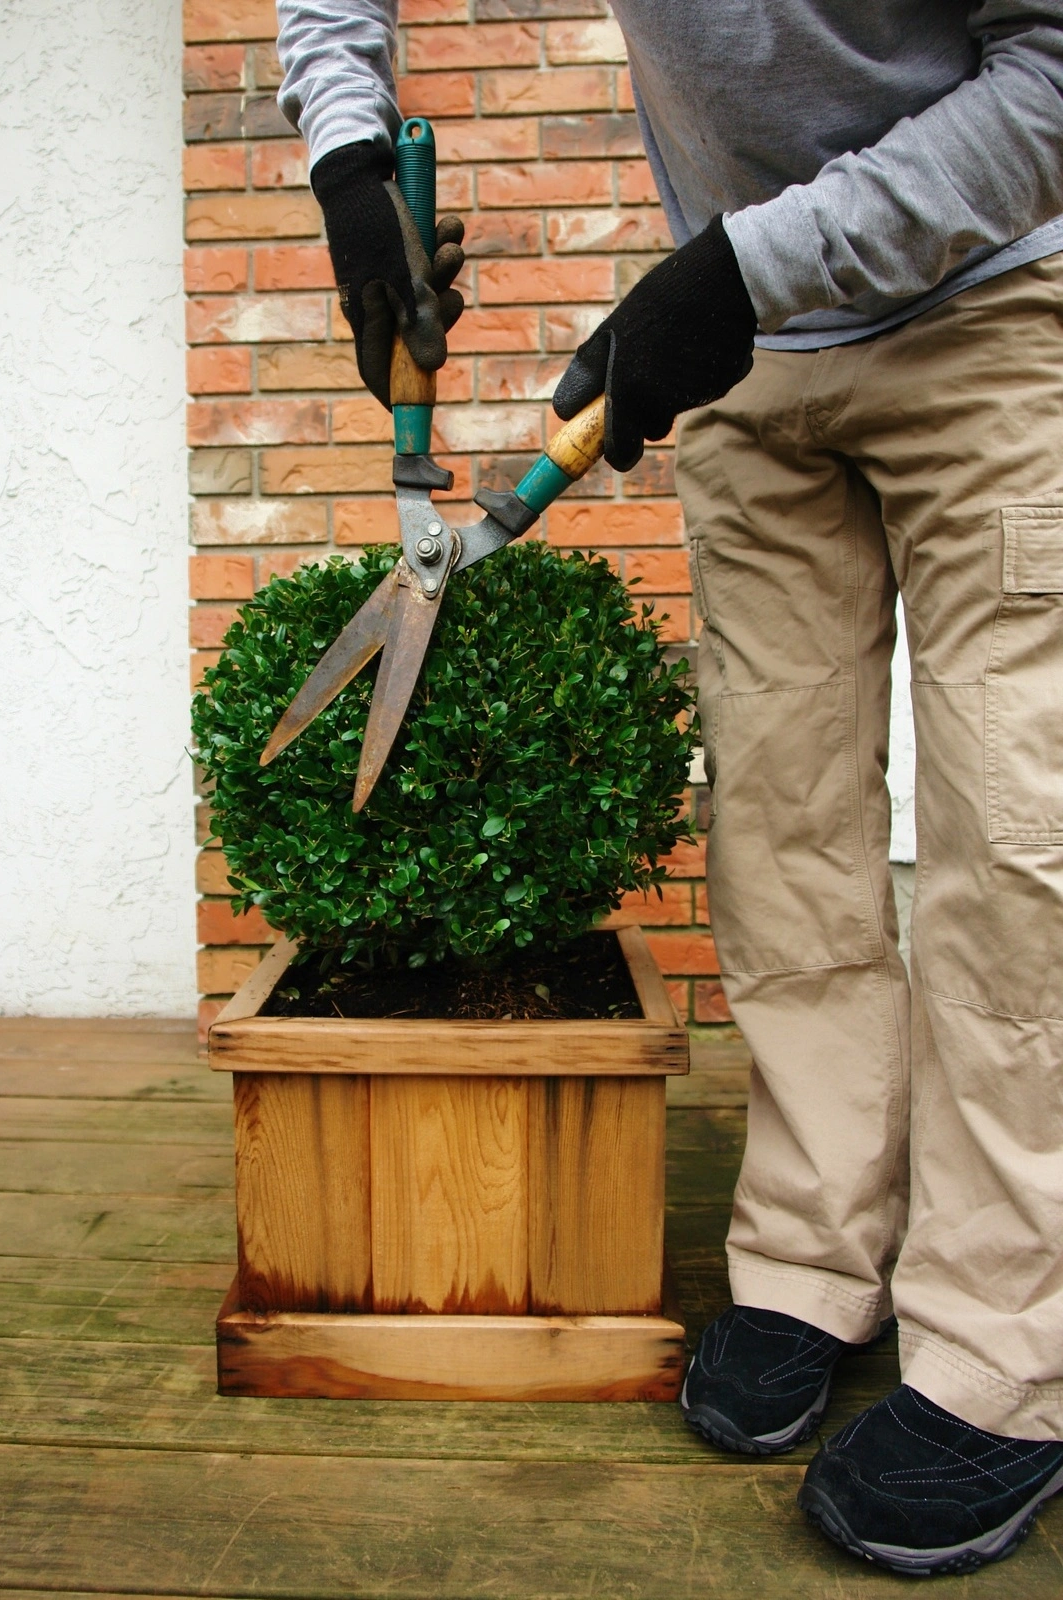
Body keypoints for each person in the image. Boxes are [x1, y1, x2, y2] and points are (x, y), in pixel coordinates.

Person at [274, 0, 1063, 1574]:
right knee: (782, 834)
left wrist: (738, 268)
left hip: (994, 302)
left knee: (1013, 852)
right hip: (750, 361)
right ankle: (812, 1259)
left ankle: (1005, 1348)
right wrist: (351, 153)